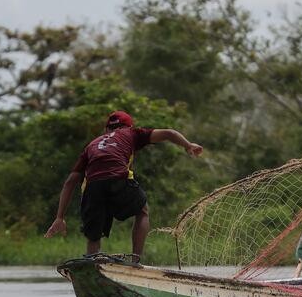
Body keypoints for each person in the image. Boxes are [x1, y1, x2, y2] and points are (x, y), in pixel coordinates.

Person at [45, 110, 203, 259]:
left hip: (93, 187)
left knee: (94, 234)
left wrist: (60, 217)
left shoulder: (92, 144)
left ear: (106, 129)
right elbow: (169, 133)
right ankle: (135, 261)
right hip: (118, 179)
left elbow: (70, 181)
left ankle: (92, 264)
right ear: (129, 126)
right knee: (142, 211)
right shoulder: (132, 133)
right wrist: (188, 145)